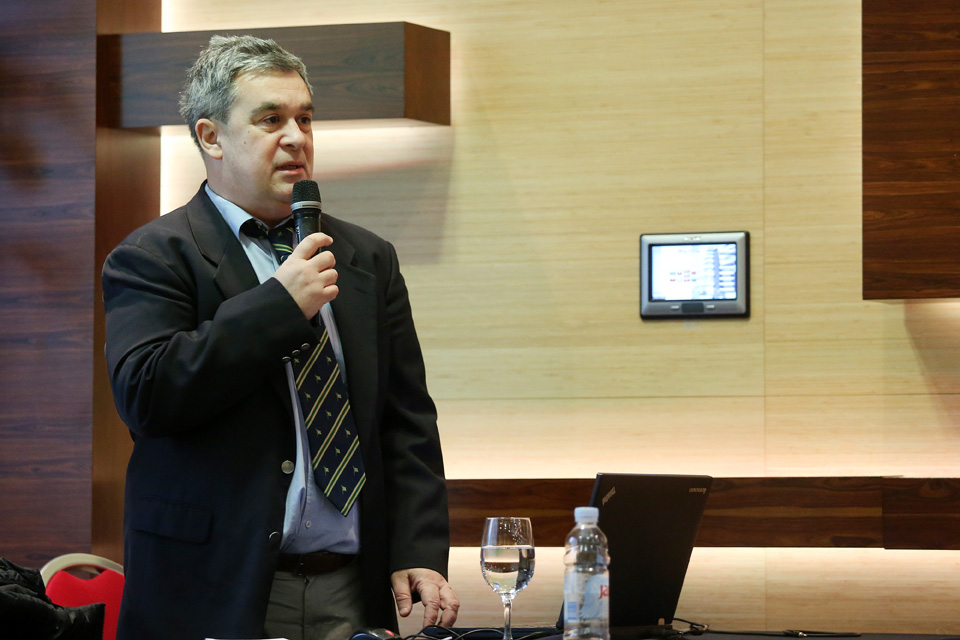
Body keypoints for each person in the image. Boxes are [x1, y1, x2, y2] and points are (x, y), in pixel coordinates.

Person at [102, 35, 459, 640]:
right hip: (214, 589)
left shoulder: (365, 257)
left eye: (305, 119)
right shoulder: (153, 255)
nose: (296, 137)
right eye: (271, 120)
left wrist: (417, 548)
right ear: (211, 137)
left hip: (349, 586)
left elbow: (405, 422)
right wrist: (278, 305)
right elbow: (148, 395)